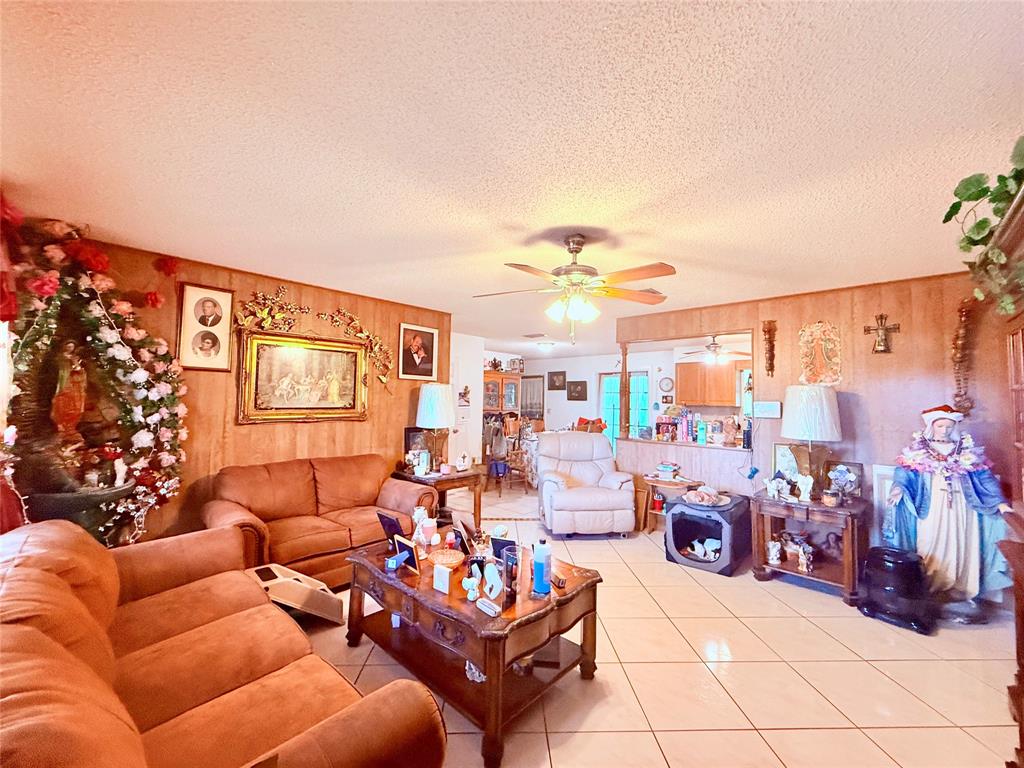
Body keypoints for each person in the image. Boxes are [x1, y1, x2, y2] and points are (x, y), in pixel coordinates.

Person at [884, 405, 1011, 607]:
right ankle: (930, 588)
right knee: (930, 542)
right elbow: (904, 474)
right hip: (932, 506)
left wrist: (999, 502)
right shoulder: (918, 450)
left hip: (962, 506)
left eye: (949, 426)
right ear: (932, 425)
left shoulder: (966, 449)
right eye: (941, 425)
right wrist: (899, 489)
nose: (945, 430)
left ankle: (960, 588)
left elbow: (984, 477)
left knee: (962, 542)